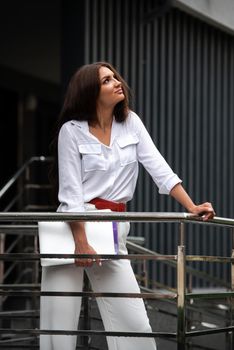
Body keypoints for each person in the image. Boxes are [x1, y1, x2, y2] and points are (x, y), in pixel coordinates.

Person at [40, 62, 215, 350]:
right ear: (90, 92)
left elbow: (159, 168)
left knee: (136, 328)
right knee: (58, 330)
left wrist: (191, 205)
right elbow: (70, 192)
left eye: (115, 77)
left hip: (113, 231)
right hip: (73, 232)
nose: (117, 82)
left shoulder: (130, 122)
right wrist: (81, 241)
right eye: (107, 81)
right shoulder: (71, 131)